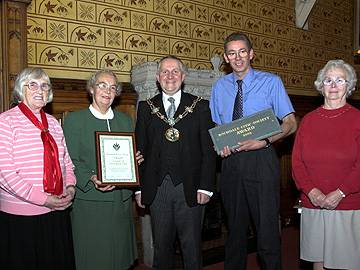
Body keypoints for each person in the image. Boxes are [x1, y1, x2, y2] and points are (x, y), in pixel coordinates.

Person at [209, 32, 297, 270]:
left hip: (262, 159)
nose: (237, 57)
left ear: (251, 54)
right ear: (226, 57)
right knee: (235, 230)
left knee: (267, 230)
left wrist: (265, 141)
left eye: (242, 52)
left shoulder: (271, 82)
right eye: (232, 53)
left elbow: (290, 122)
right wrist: (221, 146)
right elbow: (218, 127)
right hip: (231, 164)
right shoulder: (219, 87)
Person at [135, 55, 216, 270]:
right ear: (157, 78)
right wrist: (139, 189)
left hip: (190, 187)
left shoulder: (200, 106)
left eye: (175, 71)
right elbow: (139, 151)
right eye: (165, 72)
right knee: (162, 248)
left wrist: (206, 187)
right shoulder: (146, 107)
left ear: (183, 76)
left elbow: (209, 150)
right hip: (157, 188)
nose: (170, 76)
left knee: (191, 248)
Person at [0, 67, 76, 270]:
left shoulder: (53, 123)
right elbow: (4, 174)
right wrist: (44, 199)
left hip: (56, 210)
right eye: (32, 84)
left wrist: (70, 187)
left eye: (44, 85)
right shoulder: (5, 121)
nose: (39, 89)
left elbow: (66, 161)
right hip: (21, 217)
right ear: (20, 89)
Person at [63, 69, 140, 270]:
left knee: (119, 258)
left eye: (112, 87)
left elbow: (127, 157)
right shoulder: (74, 121)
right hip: (90, 203)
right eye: (102, 85)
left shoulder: (125, 121)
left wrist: (134, 161)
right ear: (91, 89)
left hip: (120, 201)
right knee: (92, 258)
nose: (107, 91)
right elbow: (69, 161)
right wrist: (91, 177)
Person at [292, 59, 360, 270]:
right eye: (328, 80)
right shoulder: (309, 120)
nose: (333, 85)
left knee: (345, 262)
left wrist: (339, 193)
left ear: (349, 86)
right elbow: (296, 162)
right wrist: (311, 191)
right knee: (318, 261)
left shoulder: (358, 119)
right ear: (321, 85)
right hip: (314, 203)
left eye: (340, 80)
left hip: (347, 204)